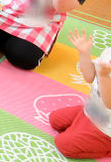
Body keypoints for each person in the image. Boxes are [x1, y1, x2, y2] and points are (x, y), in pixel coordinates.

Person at [49, 29, 111, 159]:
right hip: (91, 110)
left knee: (63, 145)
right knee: (55, 119)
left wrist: (104, 76)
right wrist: (84, 53)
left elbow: (109, 103)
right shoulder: (108, 54)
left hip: (106, 129)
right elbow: (89, 77)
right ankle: (82, 129)